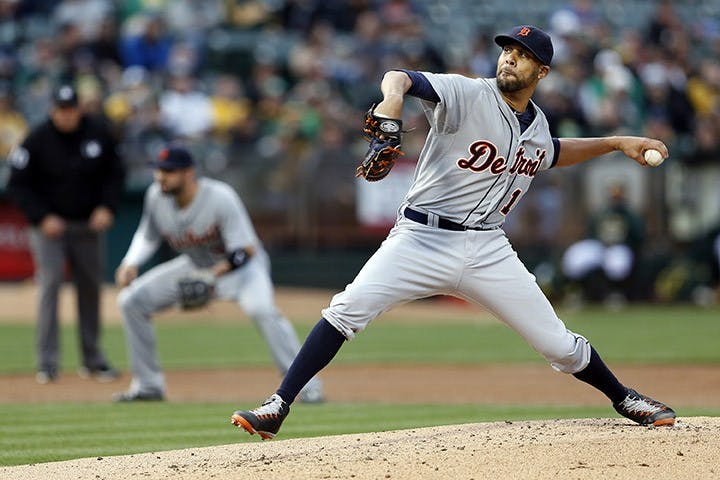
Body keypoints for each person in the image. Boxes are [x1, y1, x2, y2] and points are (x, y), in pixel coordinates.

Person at [231, 25, 676, 440]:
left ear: (542, 72)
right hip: (419, 238)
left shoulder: (537, 126)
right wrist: (390, 103)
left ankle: (624, 398)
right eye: (507, 51)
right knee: (346, 310)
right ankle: (278, 404)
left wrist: (617, 142)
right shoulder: (467, 93)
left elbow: (553, 153)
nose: (509, 60)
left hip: (488, 247)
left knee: (558, 344)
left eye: (523, 57)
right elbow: (399, 77)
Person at [112, 145, 324, 403]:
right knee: (131, 301)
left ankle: (308, 386)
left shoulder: (220, 197)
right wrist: (130, 262)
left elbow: (244, 250)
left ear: (189, 173)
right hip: (194, 265)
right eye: (159, 170)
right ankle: (148, 385)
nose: (161, 177)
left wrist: (213, 275)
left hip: (244, 271)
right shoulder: (156, 196)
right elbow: (147, 235)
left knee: (262, 310)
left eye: (168, 171)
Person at [6, 84, 125, 384]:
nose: (67, 115)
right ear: (52, 110)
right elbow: (16, 184)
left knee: (90, 288)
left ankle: (93, 359)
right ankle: (47, 363)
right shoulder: (37, 138)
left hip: (88, 225)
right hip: (50, 227)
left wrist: (107, 207)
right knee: (50, 285)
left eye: (71, 109)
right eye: (61, 109)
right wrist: (41, 216)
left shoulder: (97, 132)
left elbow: (116, 173)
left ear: (79, 109)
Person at [561, 181, 645, 306]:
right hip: (600, 246)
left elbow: (638, 236)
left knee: (617, 264)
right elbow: (590, 233)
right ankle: (576, 292)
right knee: (575, 257)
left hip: (619, 247)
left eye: (618, 196)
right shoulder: (601, 213)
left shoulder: (630, 215)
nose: (615, 200)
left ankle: (614, 294)